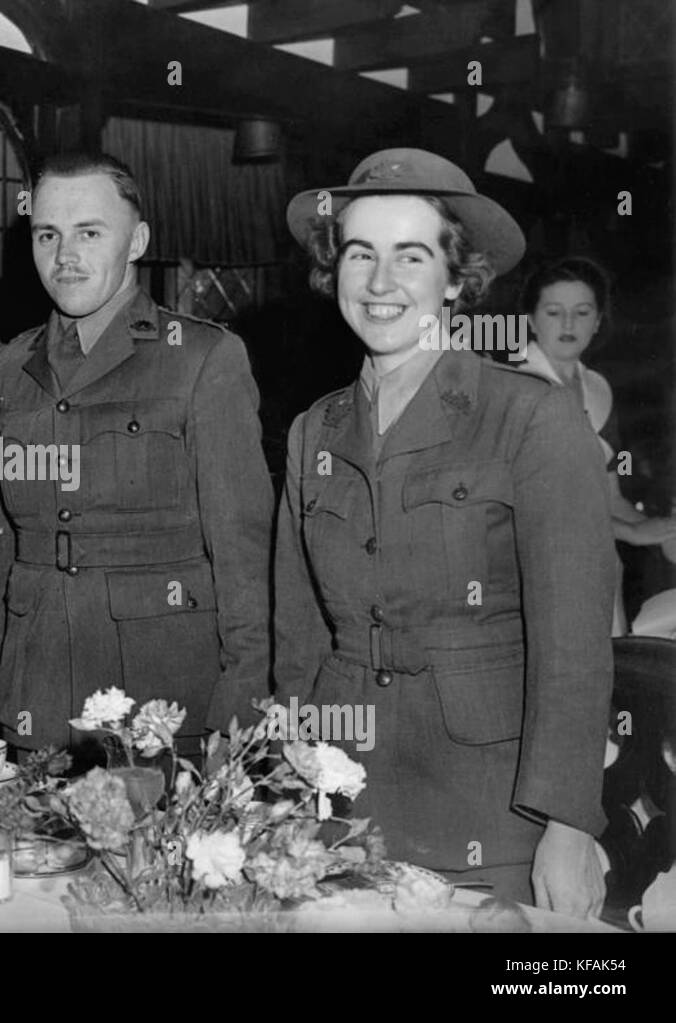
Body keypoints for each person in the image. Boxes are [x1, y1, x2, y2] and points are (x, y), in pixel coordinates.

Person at [274, 148, 616, 915]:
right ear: (334, 272)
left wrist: (565, 824)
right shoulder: (312, 429)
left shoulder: (529, 415)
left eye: (411, 255)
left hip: (491, 812)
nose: (381, 282)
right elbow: (295, 637)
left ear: (457, 280)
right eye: (360, 254)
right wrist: (284, 780)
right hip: (338, 805)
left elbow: (575, 643)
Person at [0, 152, 272, 753]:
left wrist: (239, 712)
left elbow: (245, 556)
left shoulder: (201, 359)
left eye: (90, 232)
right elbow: (3, 540)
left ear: (137, 241)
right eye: (47, 235)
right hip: (36, 690)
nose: (65, 256)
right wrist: (2, 682)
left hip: (161, 702)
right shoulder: (10, 365)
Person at [518, 256, 676, 634]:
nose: (569, 324)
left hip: (600, 571)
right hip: (535, 576)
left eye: (582, 312)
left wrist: (664, 530)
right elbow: (538, 508)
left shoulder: (598, 389)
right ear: (530, 320)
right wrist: (636, 533)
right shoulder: (515, 387)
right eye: (554, 312)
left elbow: (610, 497)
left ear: (598, 321)